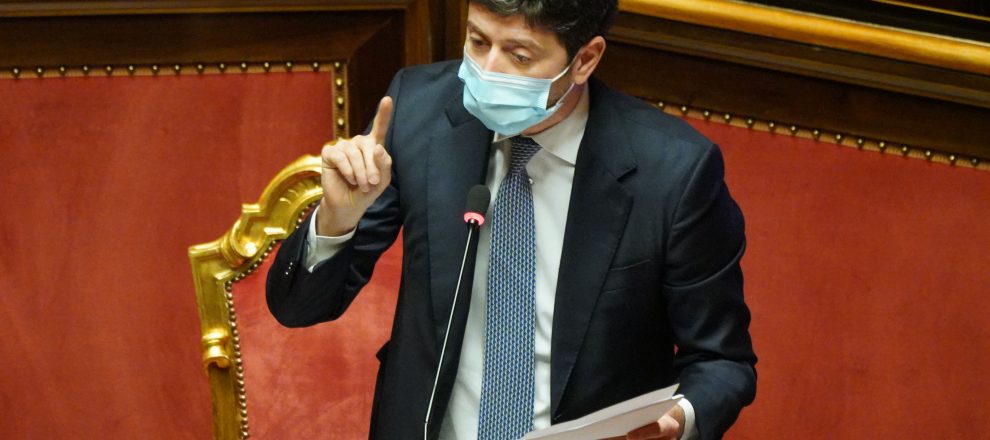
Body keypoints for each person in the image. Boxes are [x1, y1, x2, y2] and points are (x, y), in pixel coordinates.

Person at [266, 1, 757, 439]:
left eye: (519, 56)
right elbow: (298, 309)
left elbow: (721, 360)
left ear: (585, 59)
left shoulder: (672, 173)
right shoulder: (419, 111)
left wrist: (679, 418)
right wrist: (337, 220)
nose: (487, 71)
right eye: (478, 41)